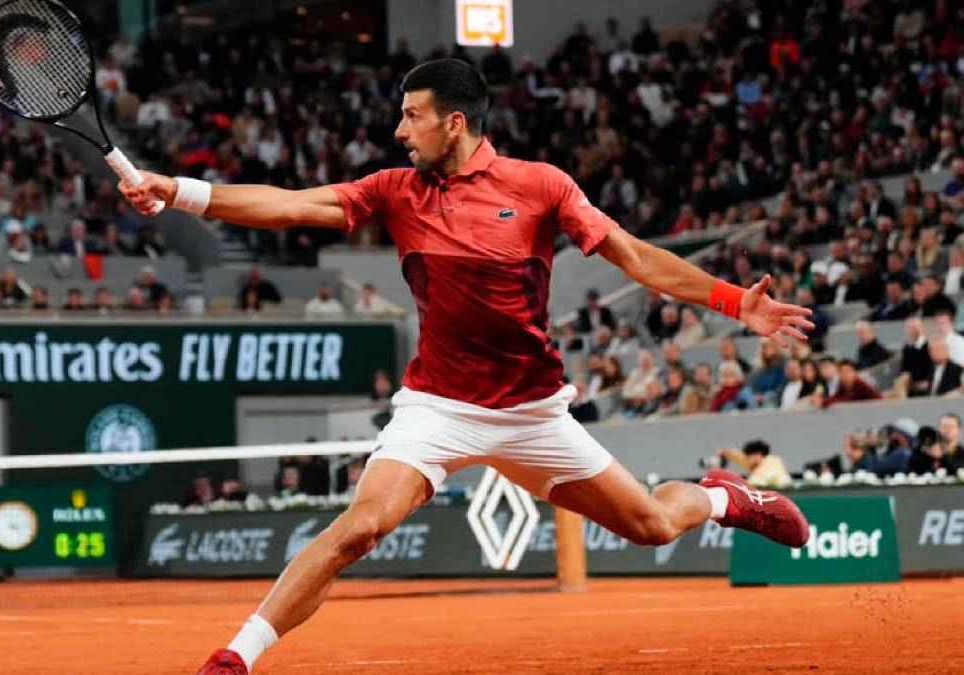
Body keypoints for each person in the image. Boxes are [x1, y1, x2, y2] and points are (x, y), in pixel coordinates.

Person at [118, 59, 813, 674]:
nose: (400, 131)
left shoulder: (541, 186)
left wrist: (733, 302)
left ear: (454, 122)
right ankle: (235, 656)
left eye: (411, 116)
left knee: (652, 526)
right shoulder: (395, 189)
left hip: (531, 412)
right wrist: (178, 190)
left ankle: (725, 499)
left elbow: (634, 257)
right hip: (439, 408)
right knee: (360, 527)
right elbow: (294, 205)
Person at [718, 440, 792, 489]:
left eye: (747, 457)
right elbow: (742, 460)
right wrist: (729, 453)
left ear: (757, 455)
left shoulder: (770, 463)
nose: (746, 460)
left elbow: (755, 482)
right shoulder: (764, 461)